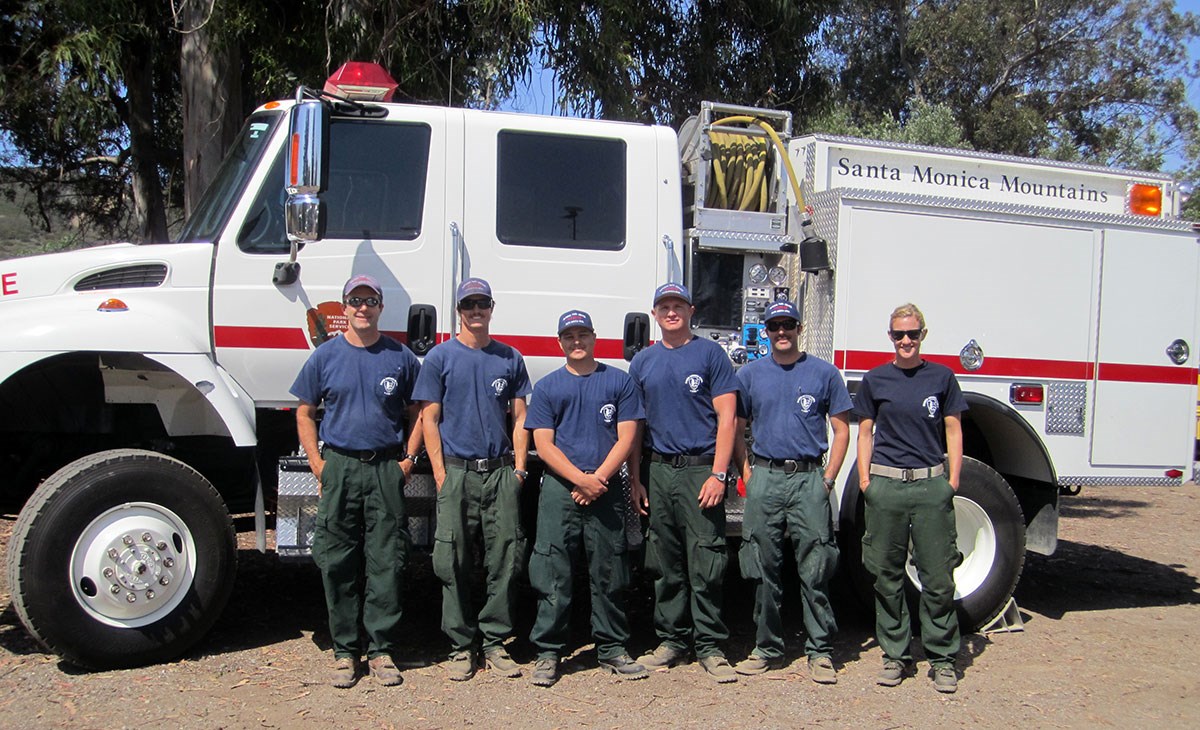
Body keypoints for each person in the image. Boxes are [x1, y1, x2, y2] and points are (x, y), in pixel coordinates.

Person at [290, 274, 423, 689]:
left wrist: (409, 459)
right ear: (344, 308)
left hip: (385, 467)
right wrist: (317, 463)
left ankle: (381, 650)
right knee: (337, 560)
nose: (362, 307)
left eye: (370, 300)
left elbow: (420, 411)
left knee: (387, 559)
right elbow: (304, 412)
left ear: (381, 307)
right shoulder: (325, 356)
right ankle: (346, 651)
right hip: (340, 467)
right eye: (355, 300)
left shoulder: (400, 357)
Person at [413, 277, 531, 681]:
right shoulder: (440, 358)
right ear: (459, 311)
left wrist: (518, 469)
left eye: (482, 304)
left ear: (492, 308)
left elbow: (520, 419)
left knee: (506, 558)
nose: (475, 311)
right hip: (458, 474)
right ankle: (461, 646)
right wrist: (442, 473)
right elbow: (429, 418)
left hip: (499, 473)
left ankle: (496, 642)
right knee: (452, 560)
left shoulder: (509, 358)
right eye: (468, 305)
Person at [525, 310, 648, 687]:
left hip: (606, 489)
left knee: (609, 572)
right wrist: (581, 479)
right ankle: (548, 652)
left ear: (594, 337)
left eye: (582, 335)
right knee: (553, 573)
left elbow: (627, 438)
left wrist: (598, 479)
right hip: (561, 492)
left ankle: (611, 649)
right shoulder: (547, 387)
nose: (576, 342)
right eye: (569, 336)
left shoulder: (619, 382)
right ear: (560, 342)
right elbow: (542, 445)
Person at [732, 301, 851, 684]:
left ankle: (820, 651)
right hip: (765, 476)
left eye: (788, 325)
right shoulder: (750, 375)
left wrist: (829, 478)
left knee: (815, 567)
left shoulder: (824, 373)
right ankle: (767, 648)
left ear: (800, 328)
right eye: (774, 326)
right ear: (764, 331)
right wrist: (747, 473)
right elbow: (737, 427)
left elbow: (842, 429)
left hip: (809, 478)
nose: (781, 332)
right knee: (761, 568)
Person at [628, 283, 740, 683]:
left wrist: (719, 474)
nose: (671, 312)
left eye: (678, 305)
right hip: (659, 470)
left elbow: (728, 418)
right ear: (655, 314)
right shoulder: (643, 362)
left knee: (706, 559)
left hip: (700, 469)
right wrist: (636, 480)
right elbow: (635, 428)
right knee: (664, 560)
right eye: (664, 306)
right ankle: (672, 640)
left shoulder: (711, 354)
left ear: (691, 311)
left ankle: (710, 645)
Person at [855, 302, 967, 694]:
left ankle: (941, 657)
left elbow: (953, 429)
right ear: (890, 337)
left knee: (937, 577)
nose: (905, 340)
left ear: (923, 335)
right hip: (886, 488)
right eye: (898, 334)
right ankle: (895, 655)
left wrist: (951, 481)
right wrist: (867, 482)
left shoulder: (941, 377)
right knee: (886, 577)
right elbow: (864, 432)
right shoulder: (876, 380)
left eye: (912, 334)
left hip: (929, 487)